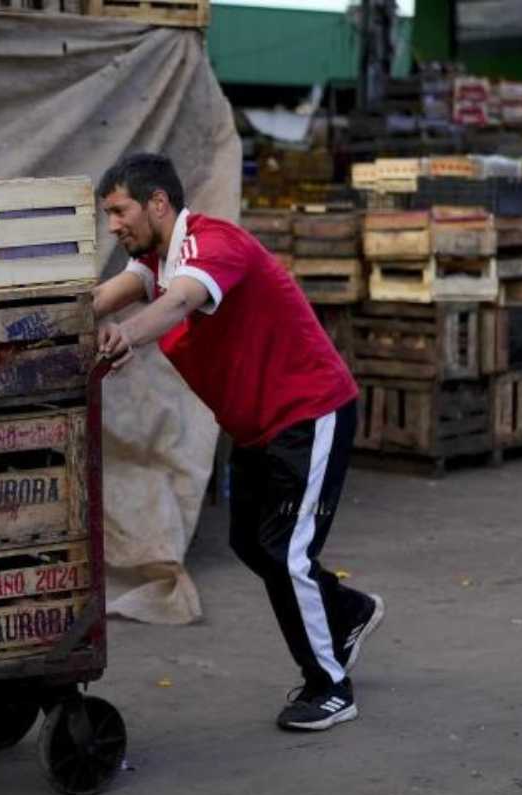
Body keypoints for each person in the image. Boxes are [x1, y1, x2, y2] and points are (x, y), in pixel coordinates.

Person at [92, 152, 384, 732]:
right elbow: (107, 296)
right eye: (107, 215)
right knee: (251, 542)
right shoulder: (155, 261)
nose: (113, 226)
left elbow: (178, 302)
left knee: (287, 553)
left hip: (311, 413)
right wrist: (35, 318)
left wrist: (125, 336)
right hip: (258, 427)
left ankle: (330, 686)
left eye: (120, 211)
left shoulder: (212, 244)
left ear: (158, 203)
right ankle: (348, 611)